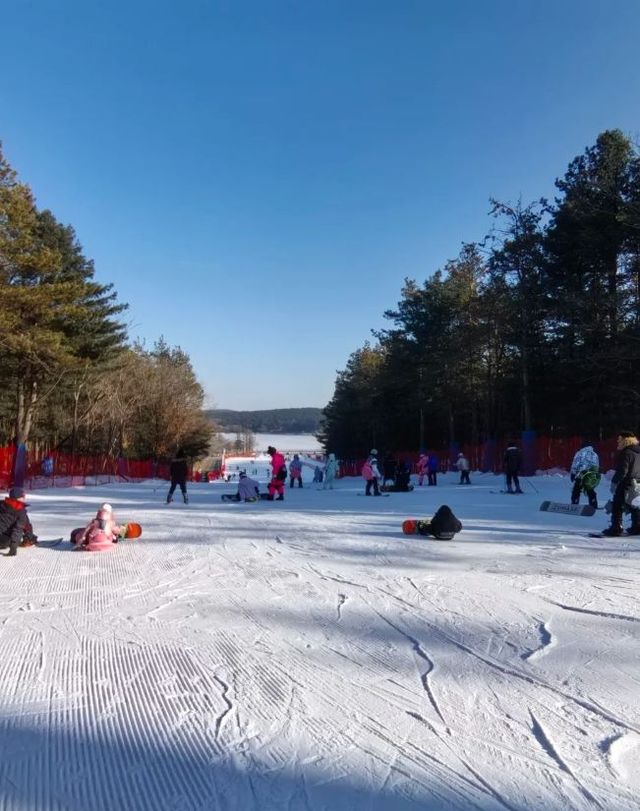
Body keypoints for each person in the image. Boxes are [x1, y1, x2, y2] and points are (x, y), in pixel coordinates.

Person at [602, 430, 640, 537]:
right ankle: (637, 526)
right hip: (638, 483)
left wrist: (614, 482)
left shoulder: (626, 453)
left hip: (626, 483)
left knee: (617, 505)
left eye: (619, 439)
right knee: (634, 505)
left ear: (625, 440)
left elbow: (622, 471)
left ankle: (616, 528)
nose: (618, 442)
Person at [0, 486, 32, 557]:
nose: (24, 498)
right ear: (18, 498)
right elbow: (18, 530)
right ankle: (29, 538)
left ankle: (29, 537)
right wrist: (13, 548)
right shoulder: (21, 511)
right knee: (24, 522)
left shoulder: (2, 504)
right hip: (3, 541)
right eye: (23, 496)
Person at [569, 440, 600, 509]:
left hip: (580, 474)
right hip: (590, 475)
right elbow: (596, 465)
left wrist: (573, 473)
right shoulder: (594, 454)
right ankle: (593, 503)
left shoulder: (579, 453)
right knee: (589, 490)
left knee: (576, 489)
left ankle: (574, 503)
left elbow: (575, 463)